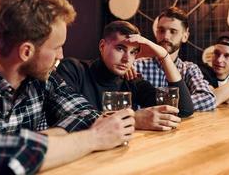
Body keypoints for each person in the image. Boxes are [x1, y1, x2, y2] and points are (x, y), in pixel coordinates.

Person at [0, 0, 135, 175]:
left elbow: (86, 115)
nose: (61, 55)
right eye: (57, 47)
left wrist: (18, 142)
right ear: (26, 52)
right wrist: (94, 138)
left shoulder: (43, 78)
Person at [57, 20, 193, 131]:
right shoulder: (73, 69)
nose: (127, 59)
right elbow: (69, 118)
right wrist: (133, 118)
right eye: (120, 48)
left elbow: (183, 109)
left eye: (134, 52)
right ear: (102, 46)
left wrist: (164, 56)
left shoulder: (130, 79)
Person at [131, 6, 216, 111]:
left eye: (173, 31)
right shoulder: (137, 65)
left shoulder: (189, 69)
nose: (166, 36)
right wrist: (180, 104)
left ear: (185, 36)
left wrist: (164, 104)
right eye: (161, 30)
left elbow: (208, 99)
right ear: (156, 33)